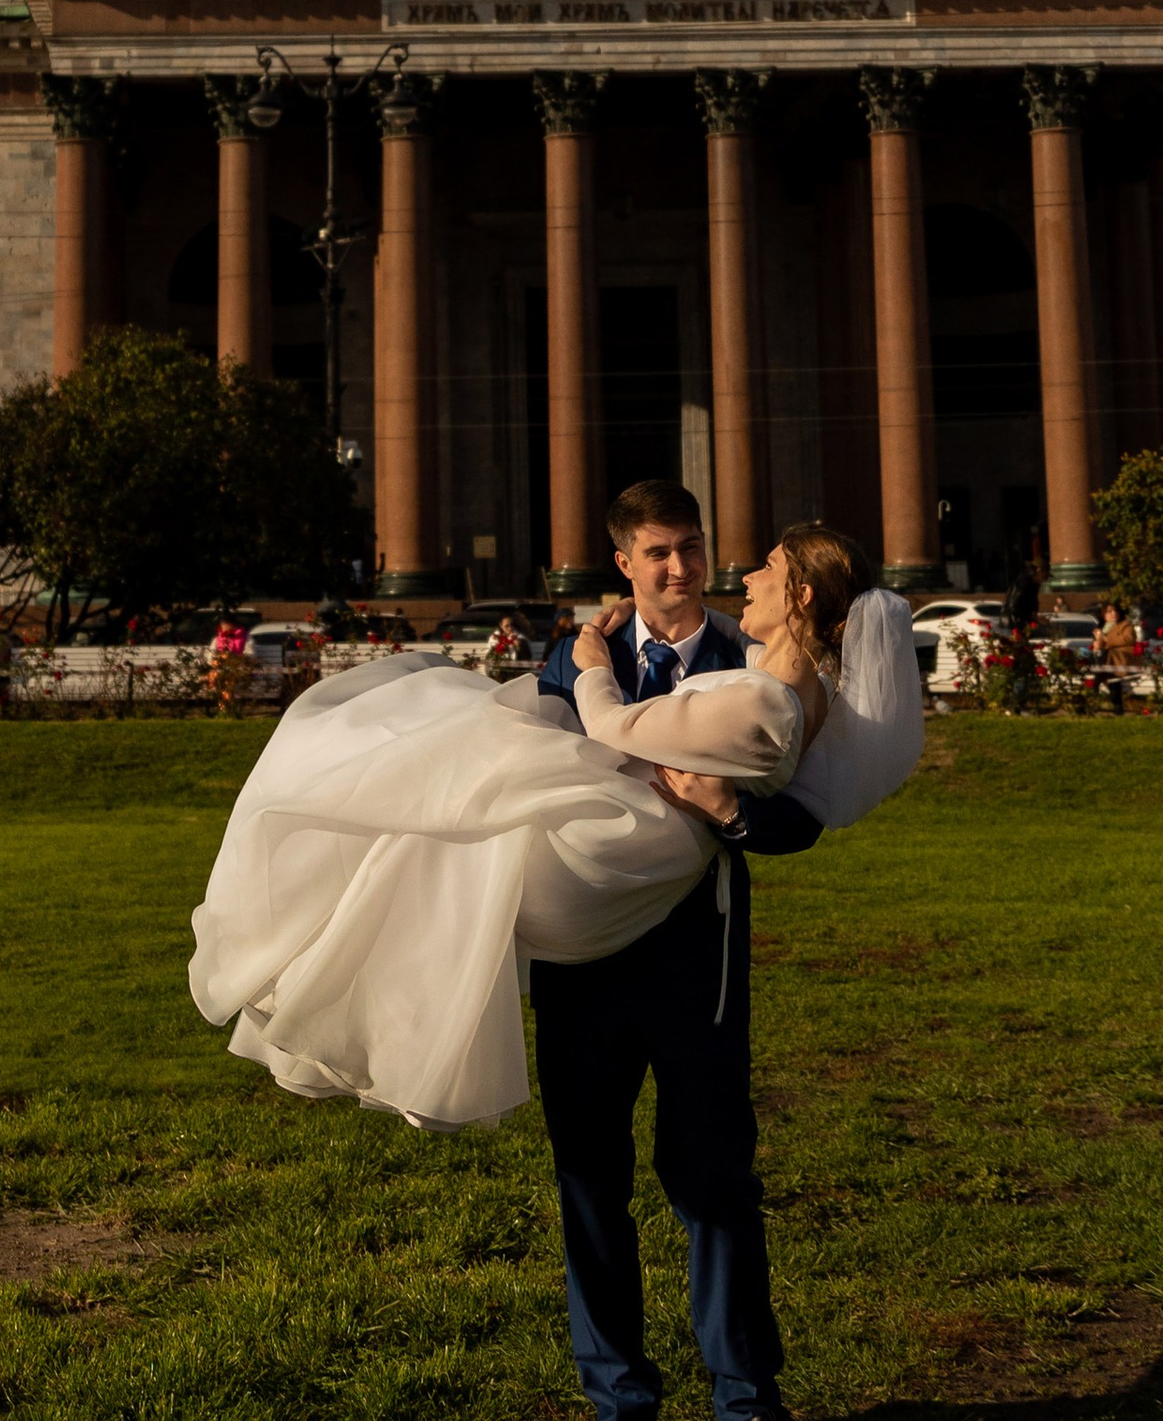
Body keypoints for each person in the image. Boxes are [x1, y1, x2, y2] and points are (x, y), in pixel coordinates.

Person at [190, 486, 923, 1421]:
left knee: (713, 1179)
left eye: (693, 549)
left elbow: (798, 818)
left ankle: (745, 1397)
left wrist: (733, 813)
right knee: (589, 1175)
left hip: (697, 960)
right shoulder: (576, 656)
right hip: (585, 968)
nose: (683, 569)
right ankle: (618, 1396)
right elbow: (510, 766)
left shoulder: (757, 664)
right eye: (659, 553)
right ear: (623, 562)